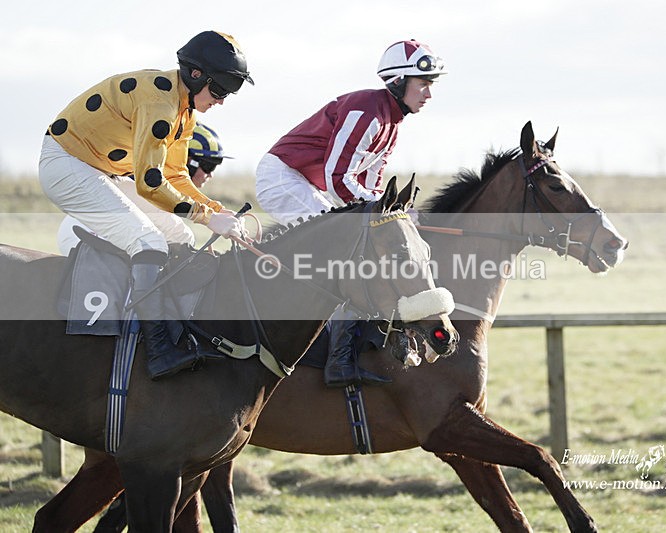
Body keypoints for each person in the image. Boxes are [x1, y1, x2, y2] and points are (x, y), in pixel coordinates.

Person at [39, 31, 254, 380]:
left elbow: (177, 177)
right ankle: (158, 348)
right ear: (196, 75)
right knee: (149, 241)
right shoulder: (161, 104)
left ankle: (175, 323)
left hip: (99, 169)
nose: (222, 101)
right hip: (67, 164)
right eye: (219, 92)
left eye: (228, 94)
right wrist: (206, 218)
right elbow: (151, 183)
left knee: (177, 232)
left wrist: (215, 210)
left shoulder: (184, 110)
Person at [254, 39, 447, 387]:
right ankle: (339, 359)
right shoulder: (367, 109)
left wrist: (395, 217)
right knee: (346, 252)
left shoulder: (393, 124)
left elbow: (371, 187)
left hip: (307, 184)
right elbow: (337, 177)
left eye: (431, 85)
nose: (429, 94)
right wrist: (375, 215)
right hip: (284, 178)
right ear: (399, 81)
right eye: (423, 84)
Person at [56, 122, 231, 254]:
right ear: (186, 160)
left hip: (82, 229)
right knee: (182, 239)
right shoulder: (147, 186)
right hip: (86, 234)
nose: (210, 175)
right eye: (208, 166)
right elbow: (178, 235)